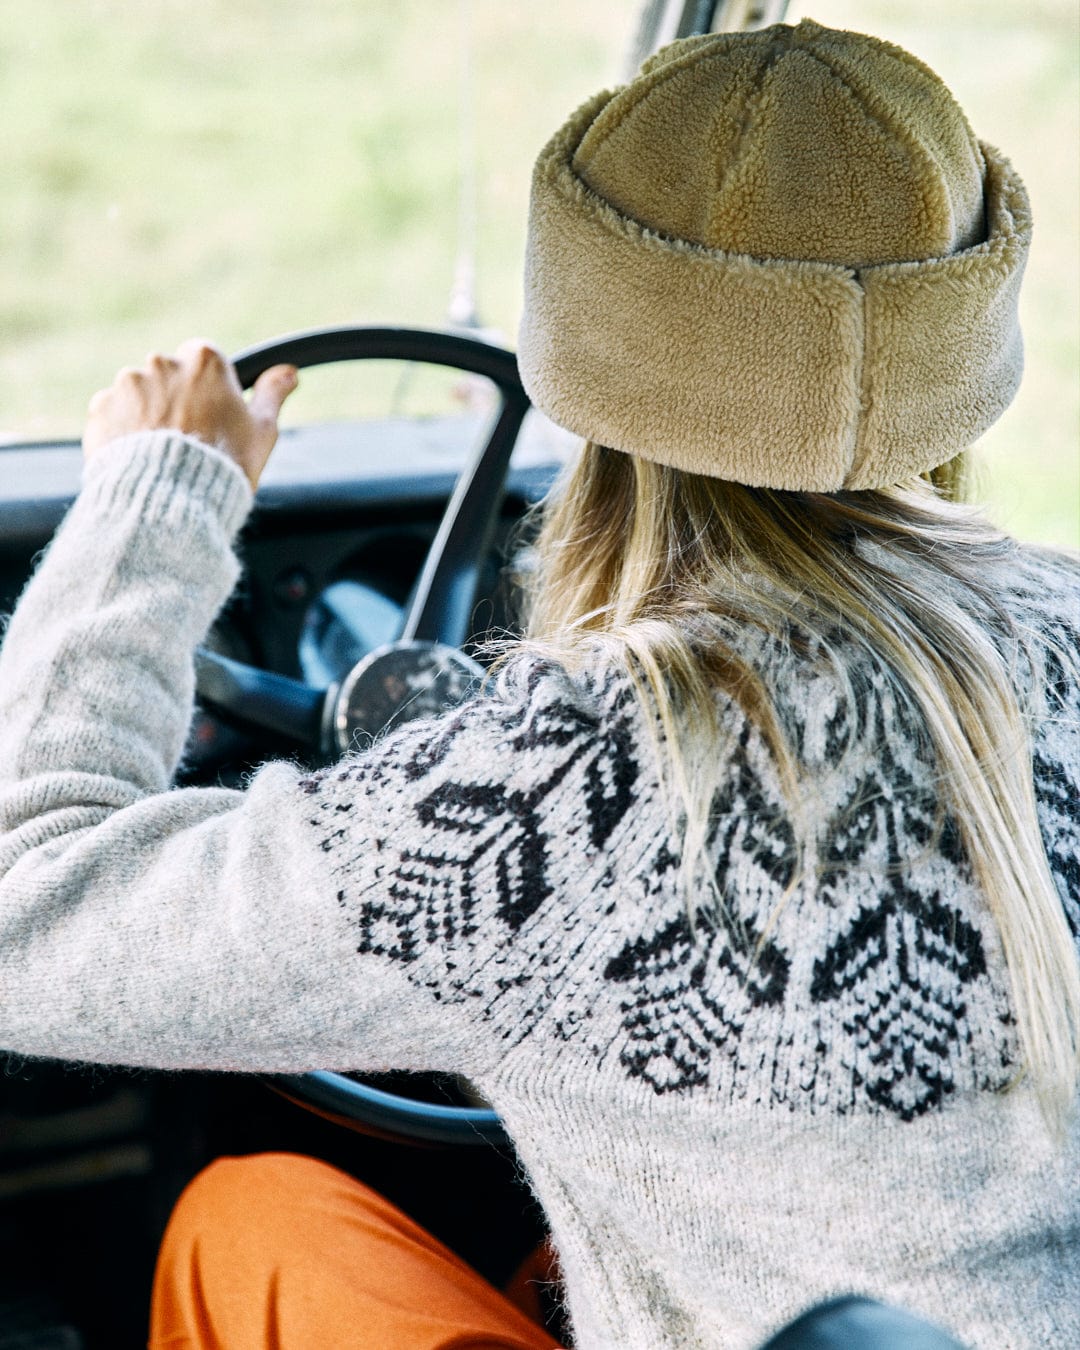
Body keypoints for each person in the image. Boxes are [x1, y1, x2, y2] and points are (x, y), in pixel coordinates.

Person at [0, 18, 1076, 1350]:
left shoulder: (568, 790)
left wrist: (160, 499)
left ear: (579, 364)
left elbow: (24, 917)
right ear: (965, 366)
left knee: (248, 1219)